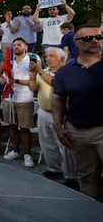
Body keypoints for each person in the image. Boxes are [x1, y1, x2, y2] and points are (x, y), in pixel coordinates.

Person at [52, 24, 103, 202]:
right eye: (88, 38)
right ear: (76, 43)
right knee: (87, 176)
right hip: (77, 132)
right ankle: (91, 213)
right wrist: (58, 126)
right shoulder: (65, 72)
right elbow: (58, 98)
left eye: (99, 37)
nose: (95, 41)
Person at [29, 47, 78, 189]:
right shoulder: (43, 72)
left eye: (52, 56)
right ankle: (54, 168)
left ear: (62, 59)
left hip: (62, 114)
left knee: (64, 146)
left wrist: (38, 71)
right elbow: (33, 88)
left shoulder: (66, 73)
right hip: (44, 111)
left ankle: (71, 175)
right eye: (47, 56)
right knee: (47, 142)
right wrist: (32, 76)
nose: (48, 58)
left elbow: (55, 84)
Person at [0, 38, 37, 168]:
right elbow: (4, 77)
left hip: (24, 99)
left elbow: (34, 82)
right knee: (12, 126)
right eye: (14, 45)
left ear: (25, 47)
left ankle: (27, 154)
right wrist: (2, 80)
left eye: (19, 44)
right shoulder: (9, 61)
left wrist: (15, 80)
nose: (16, 47)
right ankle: (15, 151)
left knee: (25, 128)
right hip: (9, 99)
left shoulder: (32, 59)